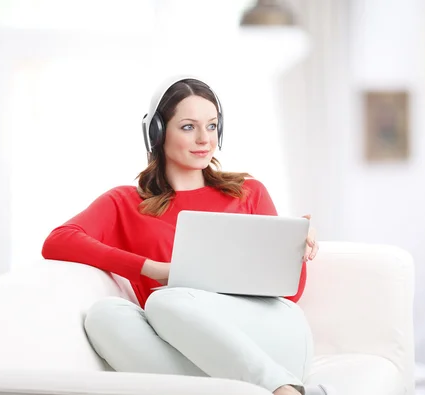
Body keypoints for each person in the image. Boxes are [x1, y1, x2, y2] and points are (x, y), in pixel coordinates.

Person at [41, 77, 333, 395]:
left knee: (166, 299)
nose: (204, 139)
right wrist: (150, 268)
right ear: (156, 132)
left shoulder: (248, 192)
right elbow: (58, 240)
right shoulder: (124, 202)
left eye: (211, 126)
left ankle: (282, 388)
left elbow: (290, 294)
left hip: (274, 339)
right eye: (188, 127)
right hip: (194, 349)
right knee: (103, 316)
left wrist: (293, 252)